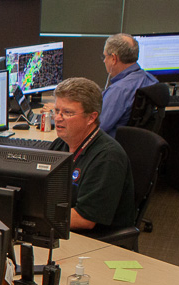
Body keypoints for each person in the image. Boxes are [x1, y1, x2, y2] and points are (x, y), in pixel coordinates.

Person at [48, 78, 137, 232]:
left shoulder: (107, 157)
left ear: (91, 117)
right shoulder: (60, 145)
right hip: (62, 227)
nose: (57, 118)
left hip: (96, 241)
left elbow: (85, 219)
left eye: (67, 113)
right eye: (57, 111)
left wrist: (34, 216)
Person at [99, 33, 157, 137]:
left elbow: (97, 128)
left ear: (113, 58)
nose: (104, 60)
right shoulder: (151, 80)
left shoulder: (118, 90)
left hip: (112, 147)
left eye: (105, 56)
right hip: (136, 143)